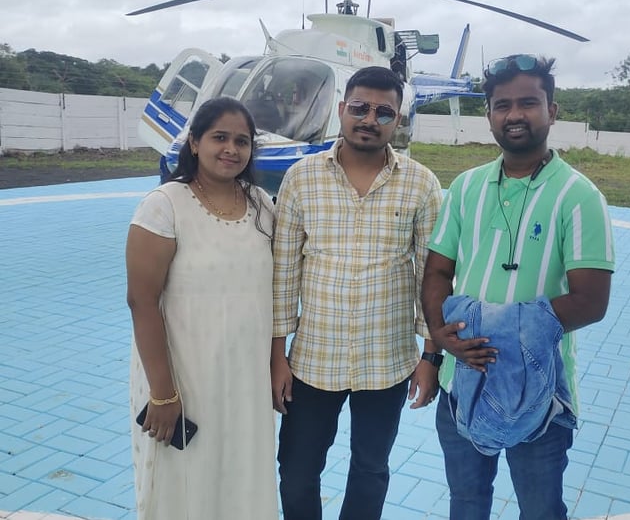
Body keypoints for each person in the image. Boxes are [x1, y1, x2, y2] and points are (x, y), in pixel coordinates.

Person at [421, 54, 615, 520]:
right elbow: (436, 273)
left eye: (528, 102)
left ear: (552, 110)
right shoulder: (465, 188)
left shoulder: (579, 196)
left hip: (540, 392)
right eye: (502, 105)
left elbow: (591, 301)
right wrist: (441, 337)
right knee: (467, 505)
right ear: (488, 114)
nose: (514, 114)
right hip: (462, 381)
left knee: (540, 510)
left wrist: (505, 333)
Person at [270, 66, 443, 520]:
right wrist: (276, 356)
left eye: (383, 112)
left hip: (387, 362)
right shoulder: (301, 178)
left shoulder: (422, 183)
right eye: (360, 108)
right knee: (296, 470)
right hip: (312, 360)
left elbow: (432, 276)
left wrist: (431, 356)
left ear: (397, 119)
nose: (369, 119)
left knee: (370, 469)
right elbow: (283, 273)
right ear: (342, 109)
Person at [126, 97, 278, 520]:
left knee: (241, 478)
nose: (231, 149)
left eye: (242, 141)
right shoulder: (164, 205)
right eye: (219, 137)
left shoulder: (261, 205)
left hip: (245, 380)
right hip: (183, 379)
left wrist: (275, 364)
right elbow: (141, 302)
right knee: (185, 484)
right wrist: (163, 393)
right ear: (194, 142)